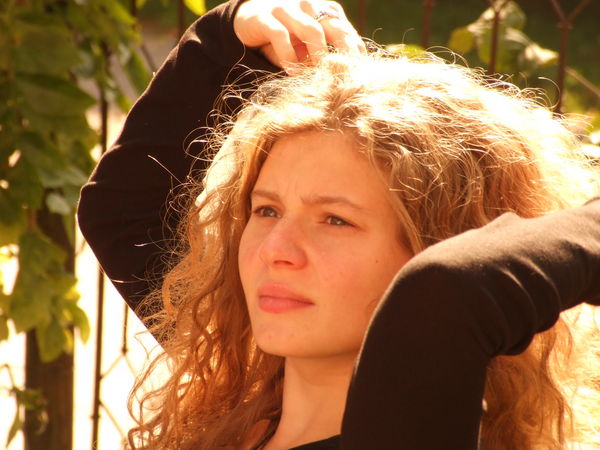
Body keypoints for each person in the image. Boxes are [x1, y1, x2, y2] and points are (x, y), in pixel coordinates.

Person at [77, 0, 600, 449]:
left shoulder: (418, 433)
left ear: (438, 244)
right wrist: (236, 35)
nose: (275, 250)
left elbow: (450, 291)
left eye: (335, 220)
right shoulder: (242, 393)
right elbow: (121, 212)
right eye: (267, 210)